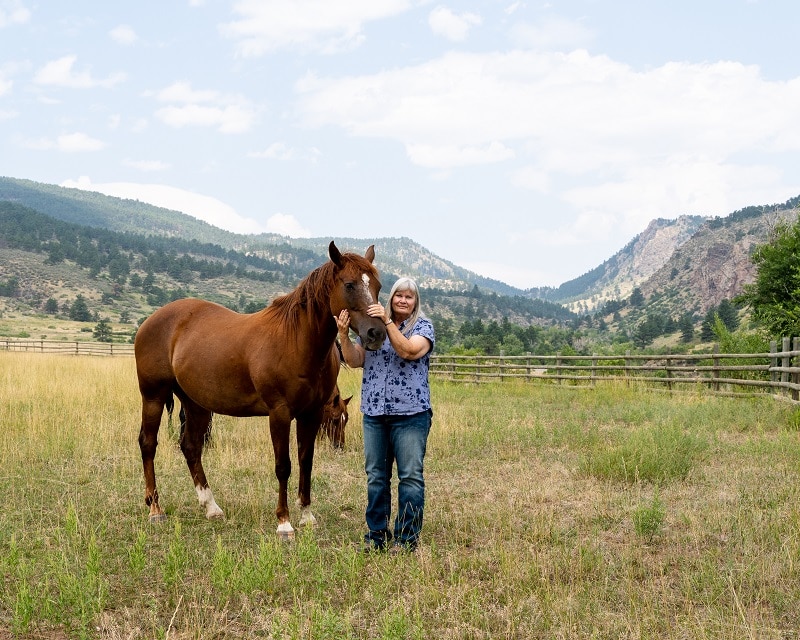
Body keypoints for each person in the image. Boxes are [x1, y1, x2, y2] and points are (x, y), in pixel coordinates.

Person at [336, 277, 435, 553]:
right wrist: (344, 335)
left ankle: (406, 540)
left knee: (410, 477)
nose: (403, 300)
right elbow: (356, 360)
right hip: (375, 414)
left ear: (416, 302)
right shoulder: (374, 327)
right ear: (390, 298)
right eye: (398, 296)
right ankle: (376, 536)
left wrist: (388, 322)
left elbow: (408, 351)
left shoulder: (423, 327)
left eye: (409, 297)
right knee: (376, 476)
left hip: (410, 415)